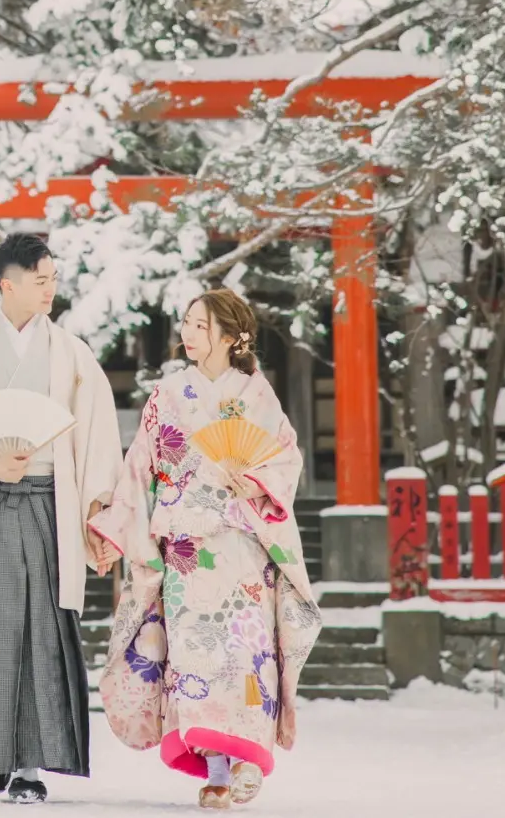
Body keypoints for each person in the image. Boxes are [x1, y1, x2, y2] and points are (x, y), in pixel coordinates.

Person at [87, 288, 323, 810]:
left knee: (244, 656)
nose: (187, 333)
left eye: (198, 325)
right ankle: (214, 768)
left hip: (242, 548)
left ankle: (245, 762)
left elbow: (286, 458)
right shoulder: (167, 395)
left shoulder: (258, 396)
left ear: (231, 336)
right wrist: (112, 526)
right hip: (186, 551)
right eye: (186, 324)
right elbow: (139, 467)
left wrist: (259, 483)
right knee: (193, 659)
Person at [0, 233, 124, 804]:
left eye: (54, 279)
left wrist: (96, 513)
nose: (50, 290)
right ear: (7, 284)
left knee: (42, 630)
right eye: (40, 280)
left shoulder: (71, 354)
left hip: (49, 504)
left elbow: (96, 440)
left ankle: (30, 764)